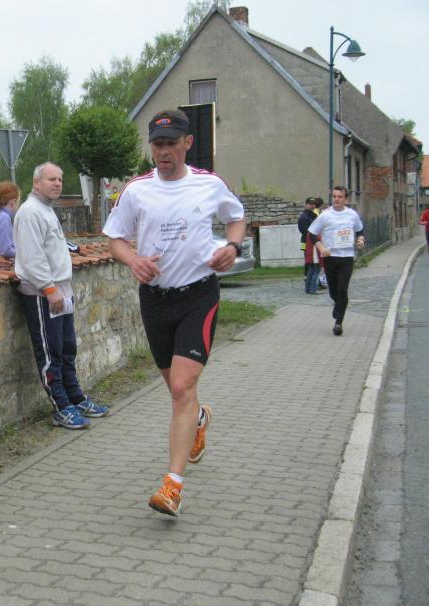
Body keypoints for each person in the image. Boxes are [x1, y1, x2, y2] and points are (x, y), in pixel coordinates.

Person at [103, 109, 246, 517]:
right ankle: (198, 418)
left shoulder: (208, 184)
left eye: (171, 144)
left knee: (182, 387)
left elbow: (236, 218)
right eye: (157, 145)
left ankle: (173, 486)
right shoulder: (136, 191)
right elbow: (115, 238)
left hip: (198, 295)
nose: (164, 152)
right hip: (155, 300)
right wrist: (132, 260)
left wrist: (232, 247)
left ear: (187, 143)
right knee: (177, 390)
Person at [13, 162, 110, 429]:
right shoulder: (30, 212)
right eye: (51, 179)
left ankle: (75, 397)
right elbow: (32, 257)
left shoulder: (46, 210)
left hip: (60, 290)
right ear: (36, 182)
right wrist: (49, 288)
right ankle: (61, 407)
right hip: (43, 293)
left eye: (60, 179)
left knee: (67, 348)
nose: (57, 183)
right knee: (50, 351)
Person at [307, 185, 364, 336]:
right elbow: (312, 233)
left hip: (347, 257)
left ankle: (338, 323)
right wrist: (321, 248)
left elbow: (360, 230)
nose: (336, 199)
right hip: (330, 257)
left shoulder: (352, 215)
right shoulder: (325, 215)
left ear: (346, 199)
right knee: (333, 290)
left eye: (340, 197)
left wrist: (360, 240)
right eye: (334, 196)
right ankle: (337, 305)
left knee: (342, 289)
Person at [298, 197, 320, 293]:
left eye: (313, 204)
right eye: (310, 204)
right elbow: (304, 231)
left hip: (314, 241)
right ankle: (308, 281)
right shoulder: (303, 217)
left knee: (312, 263)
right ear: (306, 204)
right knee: (309, 262)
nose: (312, 206)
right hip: (305, 242)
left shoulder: (314, 215)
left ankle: (312, 283)